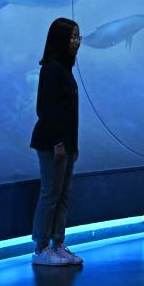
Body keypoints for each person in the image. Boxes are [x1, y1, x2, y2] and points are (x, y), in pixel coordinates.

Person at [29, 18, 84, 266]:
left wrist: (72, 144)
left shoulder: (65, 68)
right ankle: (41, 248)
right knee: (50, 194)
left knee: (63, 194)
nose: (77, 41)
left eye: (78, 36)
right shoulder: (51, 69)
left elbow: (68, 113)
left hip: (67, 143)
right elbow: (46, 110)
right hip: (52, 143)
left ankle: (58, 243)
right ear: (61, 39)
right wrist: (58, 142)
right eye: (73, 36)